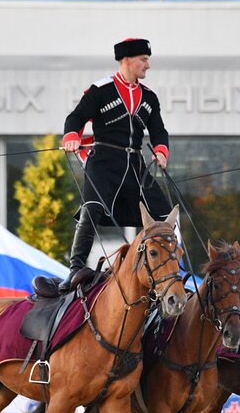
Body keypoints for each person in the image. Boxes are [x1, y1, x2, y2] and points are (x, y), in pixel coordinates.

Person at [60, 37, 172, 291]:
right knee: (91, 209)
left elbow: (159, 131)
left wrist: (161, 150)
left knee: (165, 215)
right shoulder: (101, 90)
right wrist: (71, 136)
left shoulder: (149, 98)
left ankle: (171, 269)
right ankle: (76, 268)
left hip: (135, 165)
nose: (148, 65)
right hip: (103, 162)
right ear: (127, 60)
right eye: (144, 60)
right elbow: (76, 117)